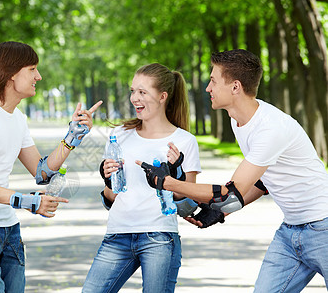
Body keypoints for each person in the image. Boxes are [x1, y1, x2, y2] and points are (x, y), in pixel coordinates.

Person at [137, 49, 328, 292]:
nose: (208, 88)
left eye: (213, 81)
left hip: (323, 228)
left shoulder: (271, 128)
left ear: (235, 87)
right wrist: (219, 211)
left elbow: (230, 192)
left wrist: (168, 183)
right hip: (291, 233)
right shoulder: (237, 120)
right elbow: (261, 182)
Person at [0, 41, 102, 293]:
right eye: (32, 69)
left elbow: (41, 172)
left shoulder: (18, 118)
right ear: (11, 73)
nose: (38, 76)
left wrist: (73, 137)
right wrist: (26, 201)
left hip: (8, 227)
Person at [82, 63, 202, 293]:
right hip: (118, 234)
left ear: (162, 97)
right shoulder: (119, 136)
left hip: (159, 237)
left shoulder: (185, 141)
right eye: (133, 91)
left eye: (142, 92)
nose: (134, 98)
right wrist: (108, 182)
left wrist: (174, 174)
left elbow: (187, 203)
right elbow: (111, 198)